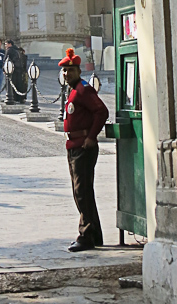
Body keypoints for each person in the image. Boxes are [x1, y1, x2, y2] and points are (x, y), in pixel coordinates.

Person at [59, 47, 109, 252]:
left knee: (82, 192)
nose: (66, 74)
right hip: (74, 146)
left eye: (70, 71)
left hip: (82, 146)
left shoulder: (83, 90)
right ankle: (94, 234)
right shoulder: (74, 91)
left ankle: (86, 234)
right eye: (64, 71)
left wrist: (91, 137)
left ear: (78, 71)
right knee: (83, 191)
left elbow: (102, 111)